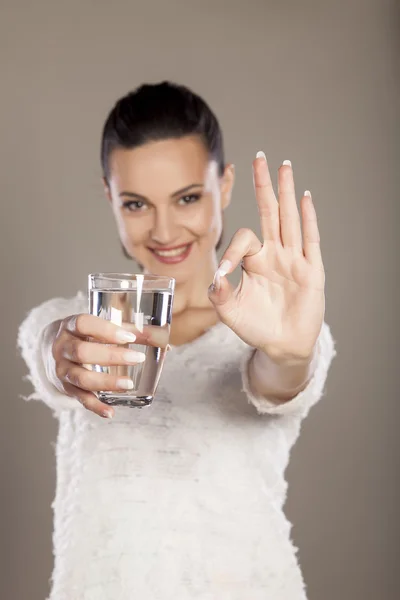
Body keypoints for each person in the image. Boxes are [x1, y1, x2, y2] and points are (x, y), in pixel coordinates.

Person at [18, 81, 336, 600]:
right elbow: (54, 351)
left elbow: (279, 377)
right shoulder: (70, 324)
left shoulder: (269, 331)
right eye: (137, 203)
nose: (164, 231)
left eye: (187, 198)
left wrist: (290, 352)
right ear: (109, 197)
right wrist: (62, 349)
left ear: (226, 185)